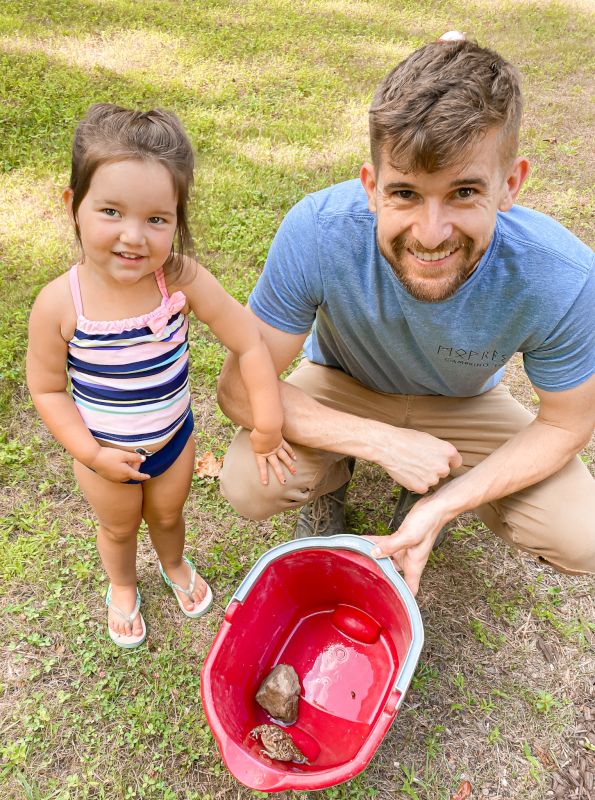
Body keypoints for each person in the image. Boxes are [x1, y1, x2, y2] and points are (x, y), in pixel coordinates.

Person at [217, 37, 595, 596]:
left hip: (467, 402)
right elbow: (238, 390)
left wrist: (446, 504)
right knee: (248, 485)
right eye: (406, 194)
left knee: (582, 535)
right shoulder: (318, 230)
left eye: (464, 192)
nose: (430, 233)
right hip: (343, 384)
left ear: (511, 184)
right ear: (371, 187)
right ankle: (332, 481)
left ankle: (430, 488)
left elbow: (568, 422)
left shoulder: (563, 274)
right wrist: (381, 442)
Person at [27, 104, 295, 648]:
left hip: (174, 441)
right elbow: (48, 389)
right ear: (73, 206)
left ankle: (173, 564)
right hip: (103, 457)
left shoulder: (180, 279)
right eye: (110, 211)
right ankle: (122, 585)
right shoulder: (59, 303)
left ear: (177, 219)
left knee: (169, 516)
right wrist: (92, 453)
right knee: (119, 528)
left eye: (157, 218)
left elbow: (246, 339)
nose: (134, 236)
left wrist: (267, 425)